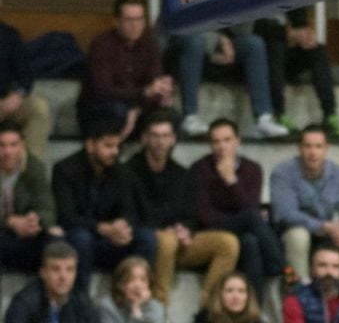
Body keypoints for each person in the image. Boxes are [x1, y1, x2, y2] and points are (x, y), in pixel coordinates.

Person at [269, 123, 339, 321]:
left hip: (331, 242)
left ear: (327, 148)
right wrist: (323, 226)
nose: (313, 152)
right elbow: (284, 213)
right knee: (298, 236)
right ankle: (303, 303)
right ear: (299, 148)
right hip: (295, 241)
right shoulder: (283, 173)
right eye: (308, 146)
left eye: (318, 146)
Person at [125, 110, 240, 304]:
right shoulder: (128, 171)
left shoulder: (181, 173)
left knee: (228, 243)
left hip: (178, 241)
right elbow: (132, 215)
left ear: (173, 139)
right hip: (148, 240)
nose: (160, 142)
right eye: (155, 136)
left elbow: (190, 213)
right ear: (145, 138)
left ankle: (208, 310)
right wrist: (167, 229)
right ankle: (161, 309)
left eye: (165, 136)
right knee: (167, 240)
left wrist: (185, 229)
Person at [52, 118, 158, 292]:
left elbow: (129, 210)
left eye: (117, 146)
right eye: (108, 146)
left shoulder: (121, 171)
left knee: (146, 237)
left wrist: (122, 227)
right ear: (91, 145)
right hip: (80, 241)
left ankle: (136, 294)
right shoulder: (65, 170)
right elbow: (66, 217)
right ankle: (80, 301)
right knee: (81, 237)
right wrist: (102, 228)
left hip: (110, 240)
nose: (115, 152)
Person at [191, 118, 285, 300]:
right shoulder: (200, 169)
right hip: (214, 229)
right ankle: (284, 269)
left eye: (227, 140)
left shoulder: (252, 169)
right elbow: (204, 215)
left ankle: (254, 310)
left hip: (247, 229)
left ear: (237, 141)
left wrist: (232, 180)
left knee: (250, 242)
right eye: (216, 141)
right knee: (250, 219)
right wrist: (229, 182)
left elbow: (251, 206)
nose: (222, 146)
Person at [77, 0, 173, 140]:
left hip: (137, 109)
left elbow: (154, 87)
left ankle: (153, 161)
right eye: (129, 20)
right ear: (116, 21)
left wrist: (157, 95)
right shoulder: (101, 45)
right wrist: (143, 94)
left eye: (139, 19)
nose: (135, 25)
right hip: (100, 110)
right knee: (117, 110)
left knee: (169, 116)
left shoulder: (150, 45)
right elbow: (104, 90)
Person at [164, 24, 288, 138]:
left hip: (219, 51)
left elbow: (242, 31)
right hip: (181, 48)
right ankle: (190, 117)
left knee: (254, 44)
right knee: (195, 41)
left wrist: (243, 4)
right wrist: (217, 40)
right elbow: (183, 26)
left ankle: (263, 118)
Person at [253, 8, 339, 139]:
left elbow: (301, 24)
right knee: (275, 47)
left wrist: (306, 37)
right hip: (262, 58)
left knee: (318, 50)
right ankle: (279, 113)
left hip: (286, 54)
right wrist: (288, 35)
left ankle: (330, 114)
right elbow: (256, 30)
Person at [1, 119, 61, 273]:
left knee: (55, 239)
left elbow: (47, 207)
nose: (7, 152)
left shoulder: (33, 167)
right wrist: (11, 222)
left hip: (25, 234)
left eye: (13, 145)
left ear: (22, 145)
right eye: (2, 145)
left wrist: (35, 220)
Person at [0, 10, 51, 159]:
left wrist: (18, 94)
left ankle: (30, 169)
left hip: (4, 102)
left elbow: (26, 75)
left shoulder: (9, 35)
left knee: (39, 108)